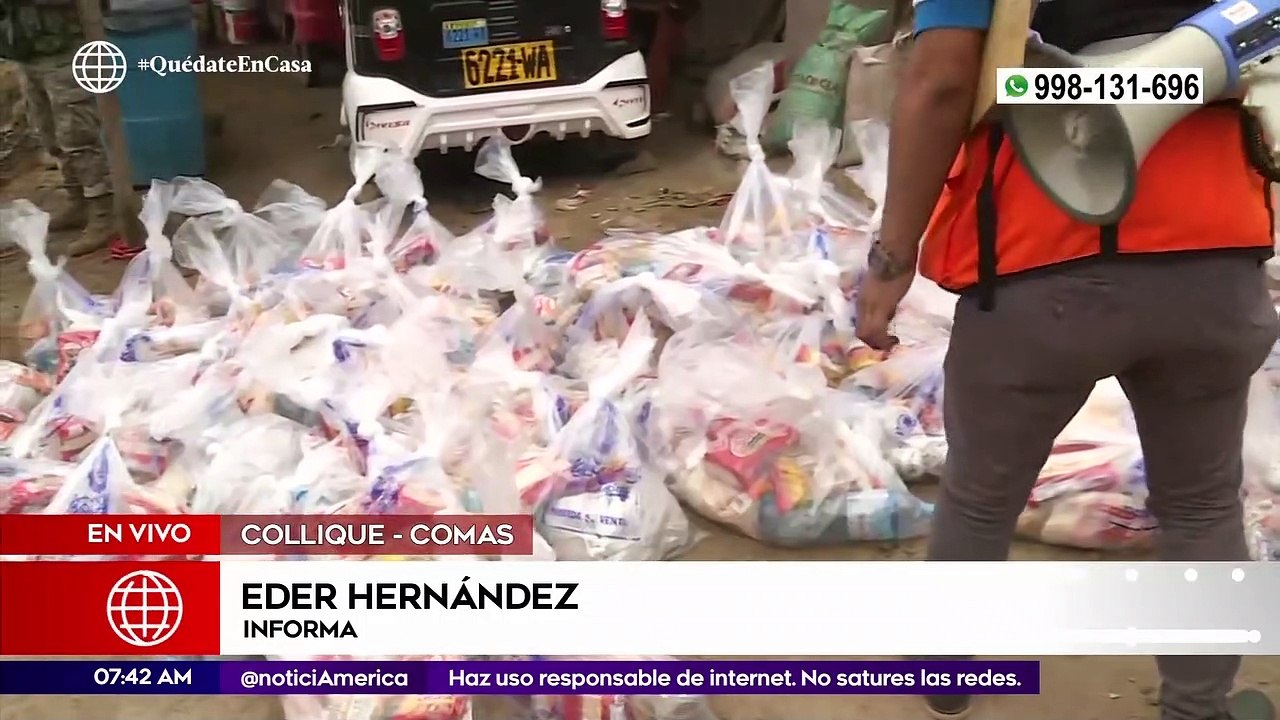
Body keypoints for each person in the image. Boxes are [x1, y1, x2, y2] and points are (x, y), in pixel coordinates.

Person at [853, 0, 1280, 719]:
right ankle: (1197, 706)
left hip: (1037, 258)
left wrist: (892, 257)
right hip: (1211, 259)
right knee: (1201, 504)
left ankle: (946, 675)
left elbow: (942, 82)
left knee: (980, 496)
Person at [0, 0, 114, 257]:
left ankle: (102, 214)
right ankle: (78, 201)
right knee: (48, 134)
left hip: (65, 51)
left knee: (78, 137)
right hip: (28, 52)